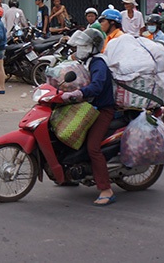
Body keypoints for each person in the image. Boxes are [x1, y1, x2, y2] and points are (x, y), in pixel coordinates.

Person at [61, 28, 116, 206]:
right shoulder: (85, 61)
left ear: (93, 47)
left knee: (93, 147)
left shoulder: (98, 63)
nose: (79, 49)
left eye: (83, 46)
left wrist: (79, 92)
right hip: (87, 106)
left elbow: (97, 86)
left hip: (102, 109)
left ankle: (106, 189)